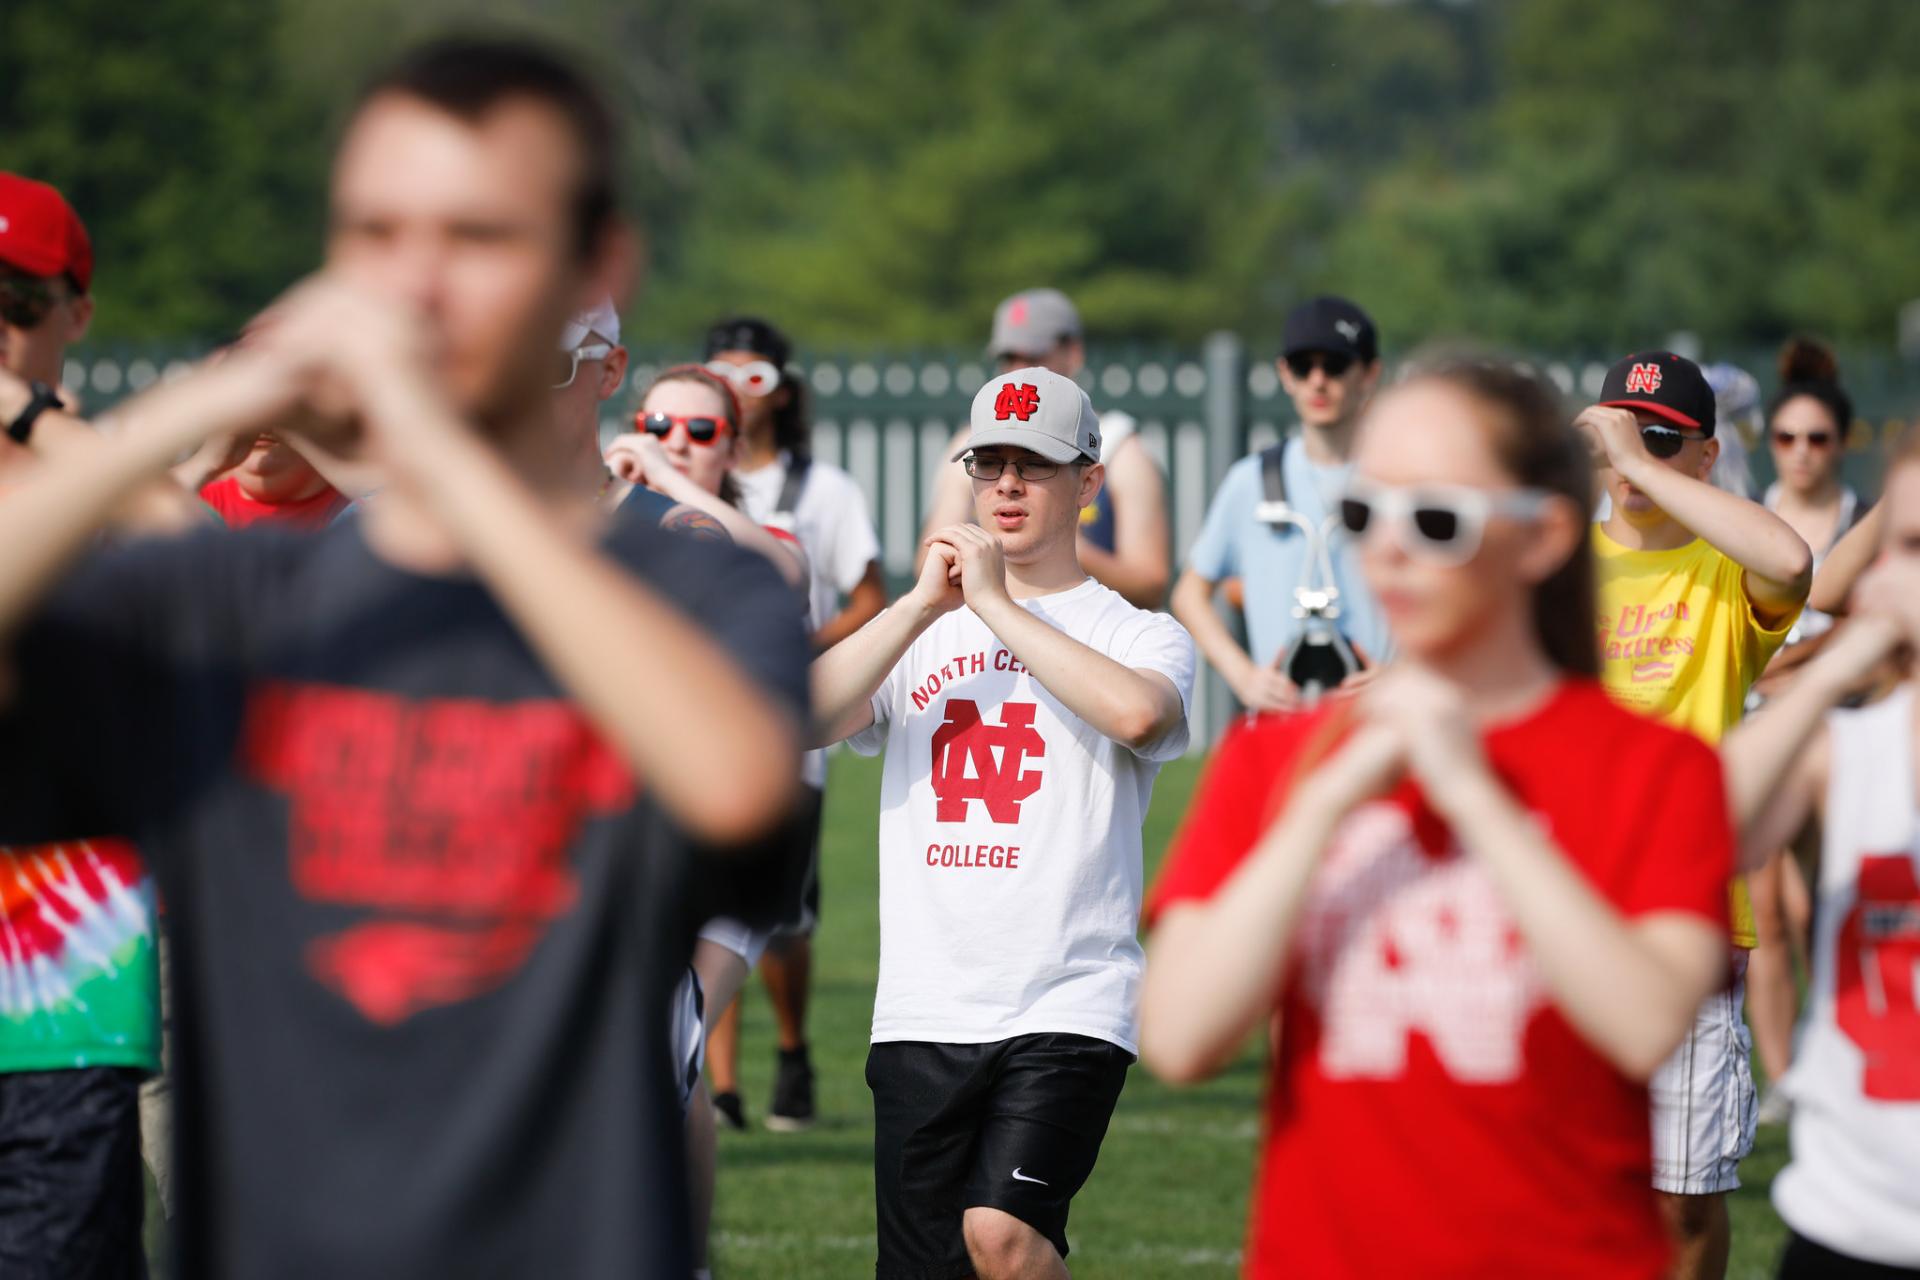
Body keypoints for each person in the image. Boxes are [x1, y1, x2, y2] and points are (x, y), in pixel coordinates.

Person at [0, 38, 809, 1279]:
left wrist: (428, 446)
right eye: (375, 237)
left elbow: (739, 788)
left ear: (598, 269)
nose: (417, 286)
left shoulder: (690, 584)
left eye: (477, 237)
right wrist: (191, 410)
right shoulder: (247, 599)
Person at [1141, 354, 1734, 1279]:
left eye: (1435, 520)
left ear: (1542, 539)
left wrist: (1472, 796)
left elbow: (1645, 1020)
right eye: (1362, 513)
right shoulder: (1274, 758)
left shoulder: (1654, 768)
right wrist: (1325, 801)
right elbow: (1178, 1036)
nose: (1388, 548)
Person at [813, 367, 1194, 1279]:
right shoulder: (924, 628)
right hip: (924, 1002)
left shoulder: (1139, 632)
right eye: (991, 467)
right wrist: (918, 606)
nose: (1009, 487)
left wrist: (994, 604)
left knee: (1005, 1237)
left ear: (1090, 485)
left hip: (1068, 996)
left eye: (1036, 466)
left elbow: (1141, 716)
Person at [0, 172, 205, 1279]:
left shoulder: (93, 479)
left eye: (14, 303)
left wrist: (35, 423)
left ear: (77, 312)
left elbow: (193, 548)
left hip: (56, 986)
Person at [1582, 349, 1813, 1280]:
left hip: (1690, 920)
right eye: (1617, 435)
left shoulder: (1728, 568)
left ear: (1709, 458)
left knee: (1684, 1203)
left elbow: (1794, 560)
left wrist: (1639, 468)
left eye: (1664, 441)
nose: (1633, 457)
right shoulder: (1554, 568)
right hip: (1564, 919)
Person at [606, 362, 812, 1279]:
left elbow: (781, 575)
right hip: (637, 829)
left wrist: (671, 480)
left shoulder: (754, 526)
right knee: (665, 1056)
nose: (674, 442)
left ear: (733, 443)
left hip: (736, 833)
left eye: (699, 431)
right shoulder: (611, 518)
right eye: (659, 423)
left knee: (670, 1042)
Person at [1718, 443, 1920, 1277]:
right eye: (1909, 547)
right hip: (1851, 1228)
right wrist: (1844, 655)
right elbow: (1694, 835)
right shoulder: (1845, 752)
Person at [700, 314, 885, 1132]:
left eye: (754, 375)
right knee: (700, 904)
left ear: (781, 388)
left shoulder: (824, 492)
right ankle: (722, 1085)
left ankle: (792, 1050)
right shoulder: (676, 480)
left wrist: (792, 648)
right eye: (720, 374)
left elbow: (867, 597)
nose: (736, 393)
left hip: (788, 724)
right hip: (695, 720)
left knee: (780, 918)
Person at [1170, 295, 1392, 712]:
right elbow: (1189, 594)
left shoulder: (1398, 481)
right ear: (1285, 375)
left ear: (1370, 375)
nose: (1318, 381)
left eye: (1336, 365)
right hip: (1282, 721)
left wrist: (1403, 674)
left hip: (1378, 720)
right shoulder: (1252, 479)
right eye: (1304, 366)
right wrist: (1243, 676)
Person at [1747, 337, 1864, 1119]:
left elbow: (1863, 620)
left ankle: (1841, 1048)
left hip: (1842, 731)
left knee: (1819, 905)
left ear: (1842, 445)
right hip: (1762, 732)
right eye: (1785, 438)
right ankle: (1784, 1080)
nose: (1800, 453)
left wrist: (1802, 664)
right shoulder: (1748, 521)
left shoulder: (1863, 523)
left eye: (1816, 439)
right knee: (1763, 916)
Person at [919, 288, 1171, 609]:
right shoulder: (969, 442)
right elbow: (928, 564)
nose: (1019, 369)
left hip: (1089, 638)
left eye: (1034, 355)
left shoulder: (1120, 448)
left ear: (1074, 353)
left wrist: (1052, 543)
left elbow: (1150, 585)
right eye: (1009, 357)